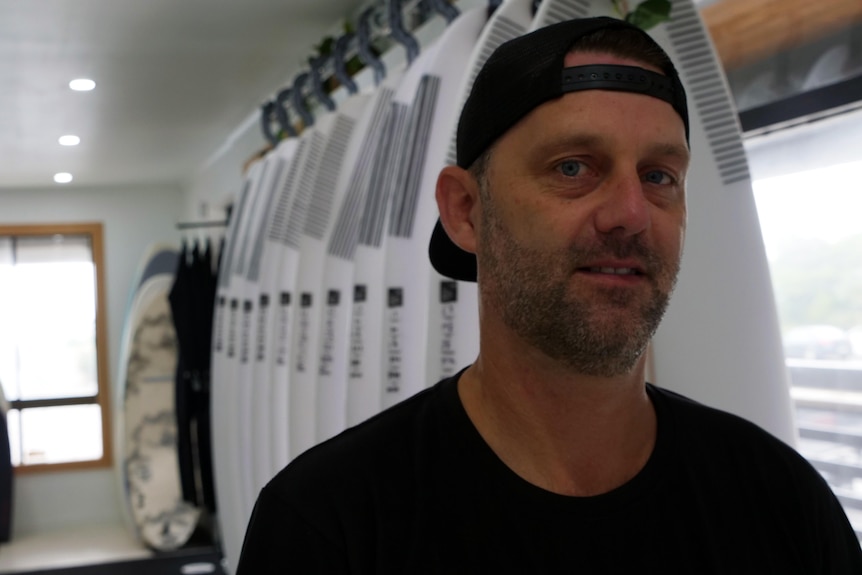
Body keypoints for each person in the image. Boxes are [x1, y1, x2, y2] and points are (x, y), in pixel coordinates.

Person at [236, 17, 862, 573]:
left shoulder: (781, 501)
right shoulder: (331, 523)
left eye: (659, 176)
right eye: (573, 167)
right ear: (465, 211)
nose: (630, 213)